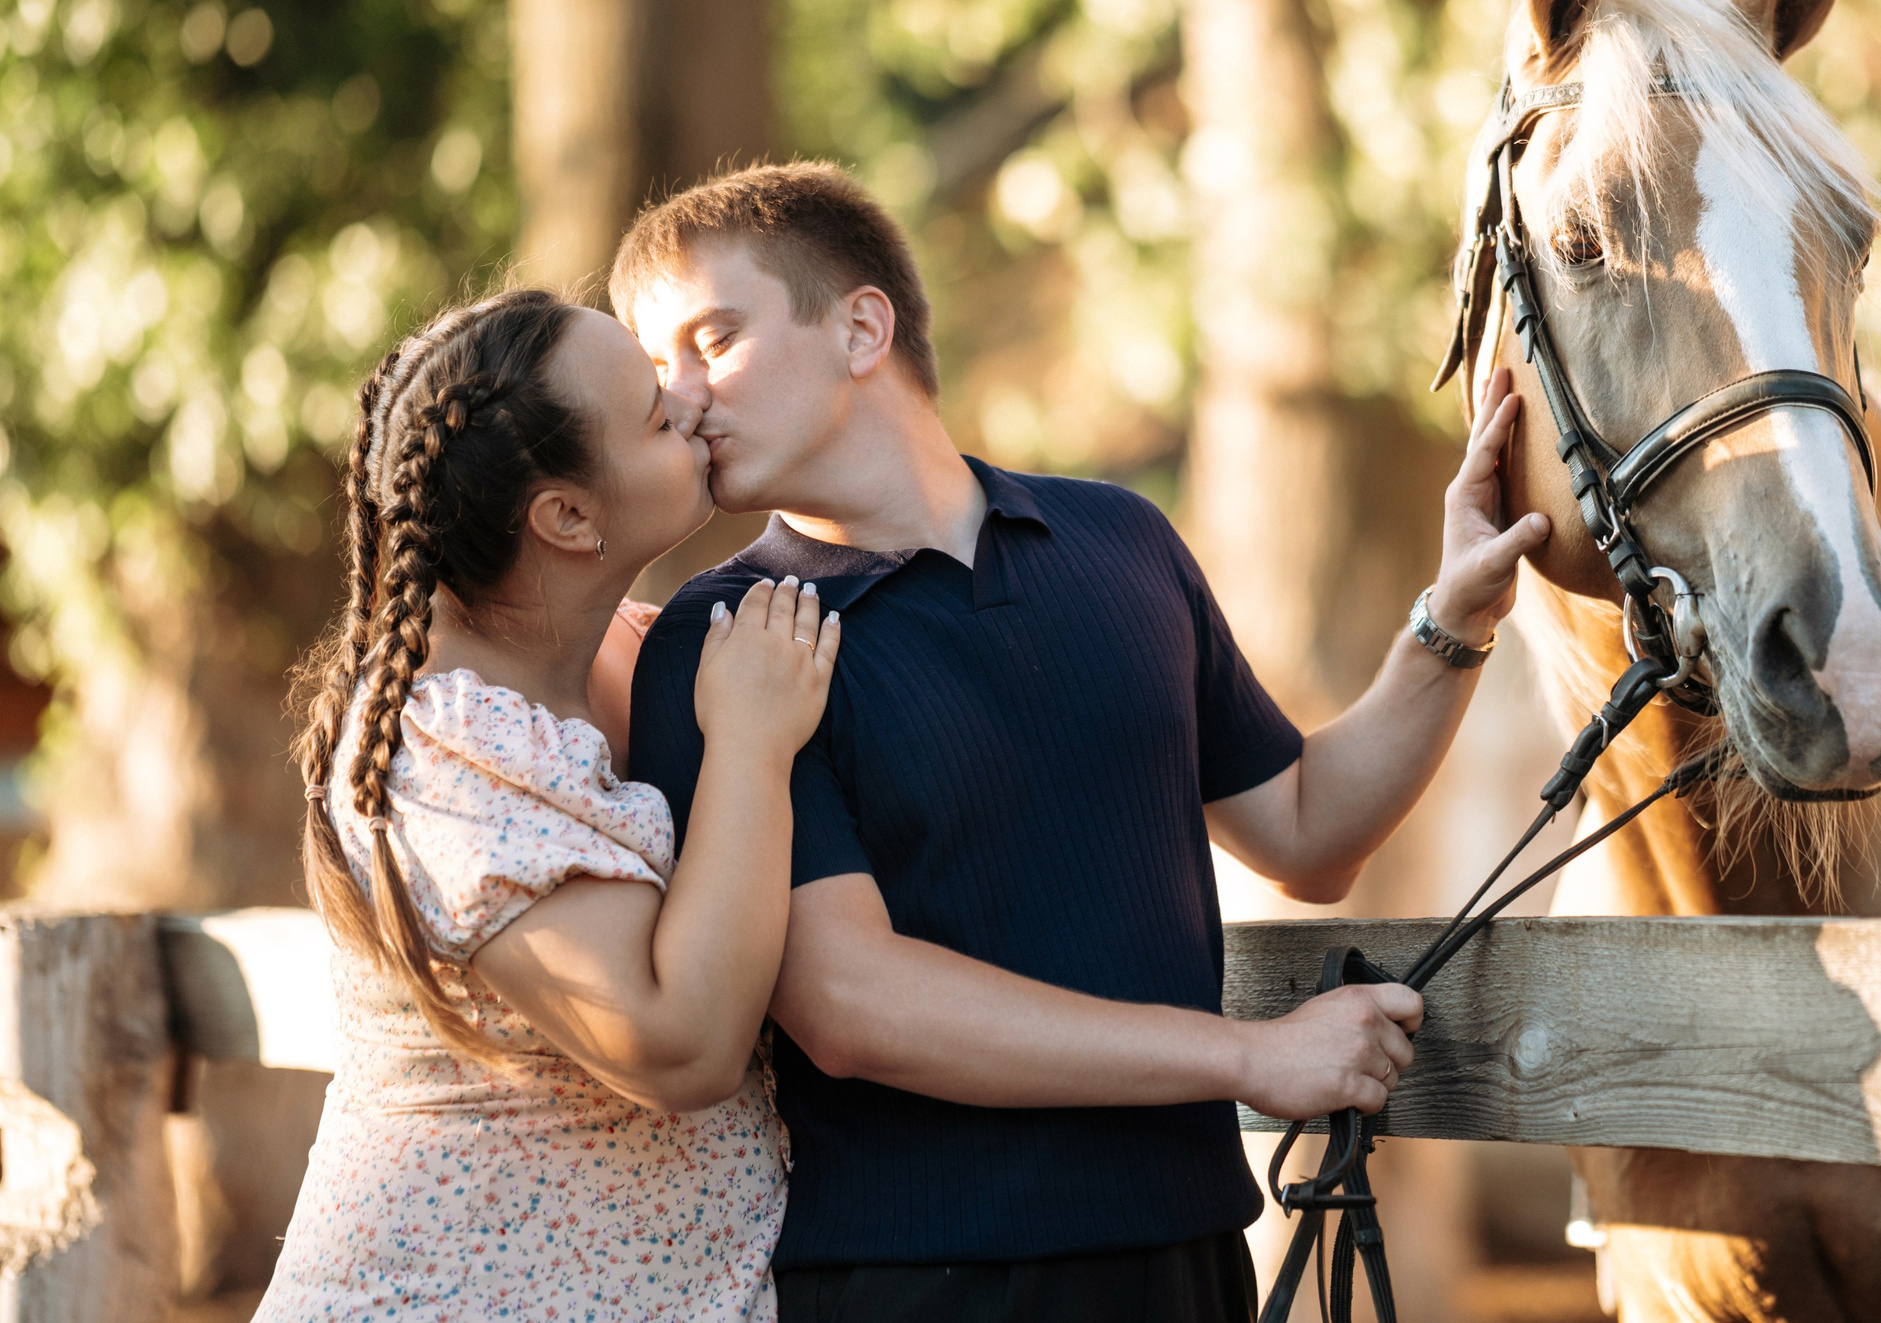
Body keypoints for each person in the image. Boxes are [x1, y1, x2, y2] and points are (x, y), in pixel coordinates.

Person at [615, 162, 1550, 1323]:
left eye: (713, 339)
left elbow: (1310, 832)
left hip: (1190, 1254)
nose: (683, 396)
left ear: (861, 327)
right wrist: (1246, 1057)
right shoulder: (723, 641)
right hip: (919, 1284)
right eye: (658, 367)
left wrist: (1452, 619)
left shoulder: (1120, 540)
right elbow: (852, 1006)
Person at [260, 290, 842, 1321]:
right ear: (567, 516)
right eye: (657, 416)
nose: (691, 401)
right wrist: (751, 747)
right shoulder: (441, 754)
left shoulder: (633, 648)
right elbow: (681, 1042)